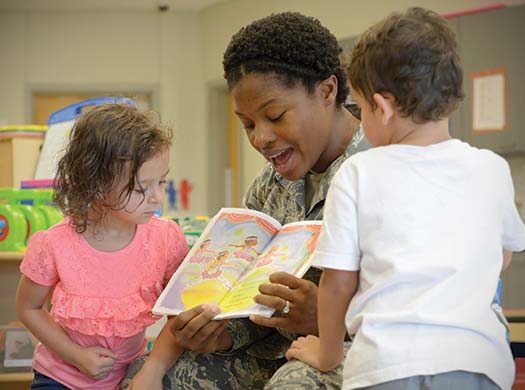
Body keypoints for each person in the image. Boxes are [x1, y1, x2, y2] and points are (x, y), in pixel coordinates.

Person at [122, 11, 370, 389]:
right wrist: (219, 333)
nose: (260, 139)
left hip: (359, 349)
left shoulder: (380, 171)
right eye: (248, 124)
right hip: (275, 351)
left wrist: (326, 315)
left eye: (275, 115)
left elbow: (419, 304)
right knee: (146, 376)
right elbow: (247, 297)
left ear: (326, 91)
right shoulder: (267, 188)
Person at [286, 7, 525, 390]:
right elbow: (502, 257)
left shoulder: (359, 173)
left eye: (361, 109)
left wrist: (327, 354)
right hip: (478, 364)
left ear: (381, 108)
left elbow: (337, 283)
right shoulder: (490, 169)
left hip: (386, 366)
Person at [16, 104, 190, 389]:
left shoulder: (166, 239)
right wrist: (75, 355)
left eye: (162, 181)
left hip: (134, 373)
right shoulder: (54, 243)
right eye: (140, 188)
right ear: (94, 182)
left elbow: (179, 312)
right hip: (60, 377)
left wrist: (152, 369)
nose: (157, 197)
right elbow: (28, 308)